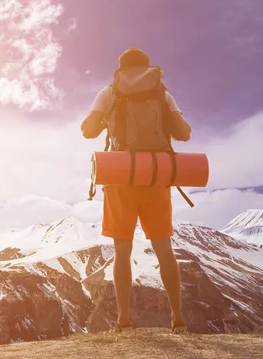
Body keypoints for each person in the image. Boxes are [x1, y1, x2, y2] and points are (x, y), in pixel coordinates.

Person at [80, 48, 192, 334]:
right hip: (154, 176)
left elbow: (89, 130)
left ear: (120, 69)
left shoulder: (109, 92)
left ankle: (124, 321)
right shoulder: (162, 94)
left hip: (120, 177)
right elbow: (184, 133)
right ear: (148, 69)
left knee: (122, 249)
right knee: (164, 249)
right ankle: (178, 320)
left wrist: (103, 120)